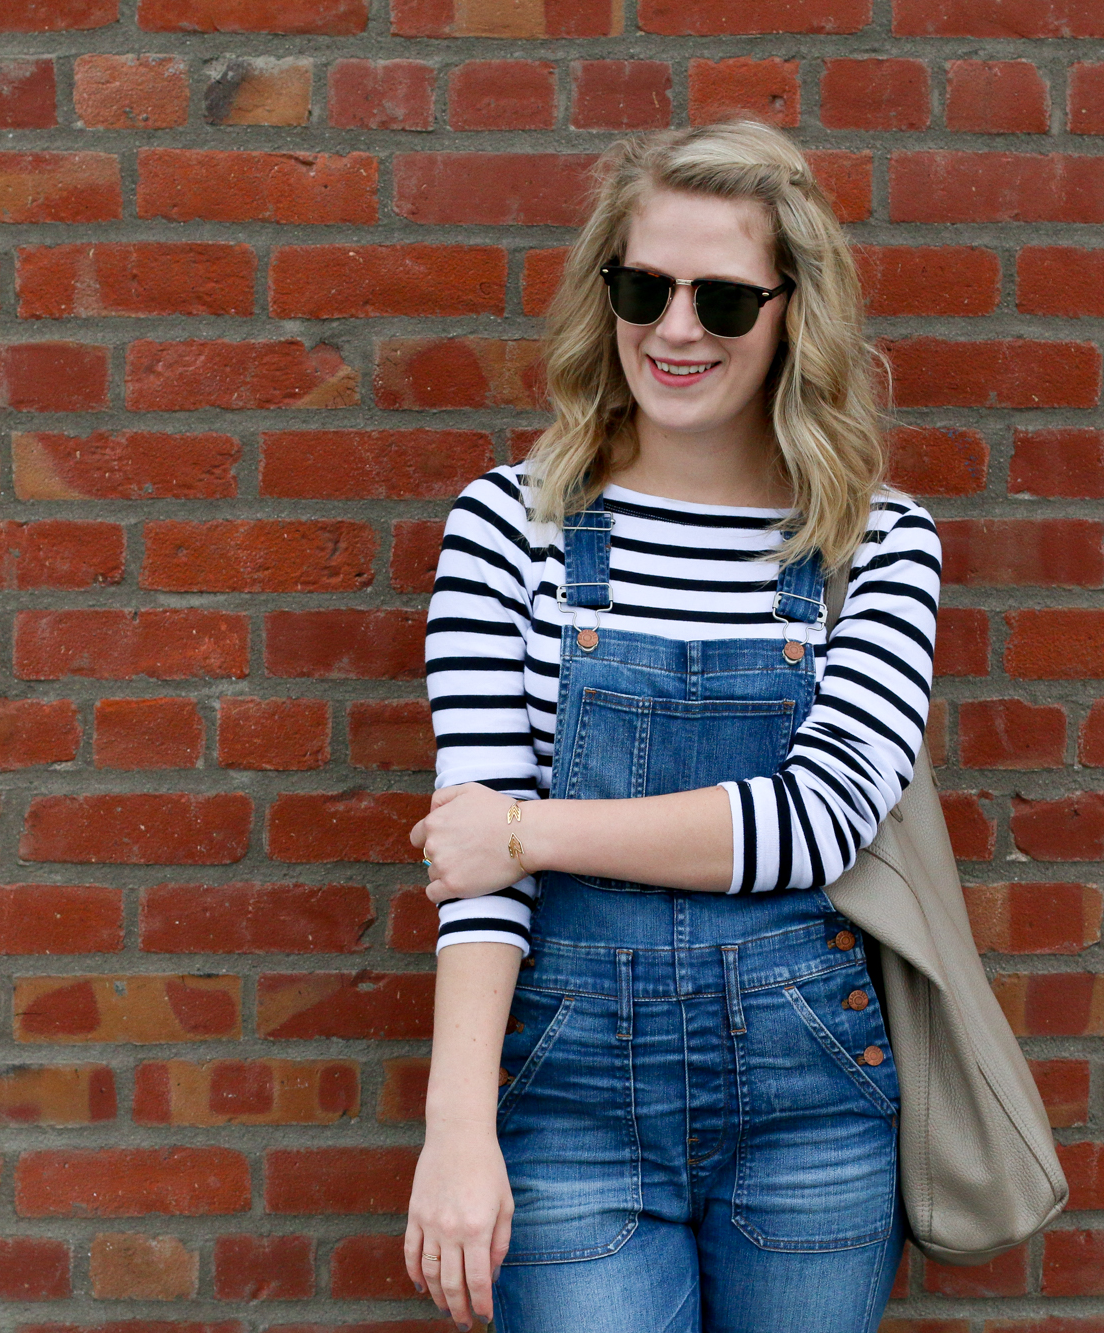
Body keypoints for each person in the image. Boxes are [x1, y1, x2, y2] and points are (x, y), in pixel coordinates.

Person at [404, 119, 944, 1333]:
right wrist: (456, 1132)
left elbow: (816, 824)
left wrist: (530, 832)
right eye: (643, 288)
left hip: (809, 1104)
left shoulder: (875, 545)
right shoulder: (509, 528)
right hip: (571, 1105)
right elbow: (471, 880)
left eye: (723, 299)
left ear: (794, 312)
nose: (676, 329)